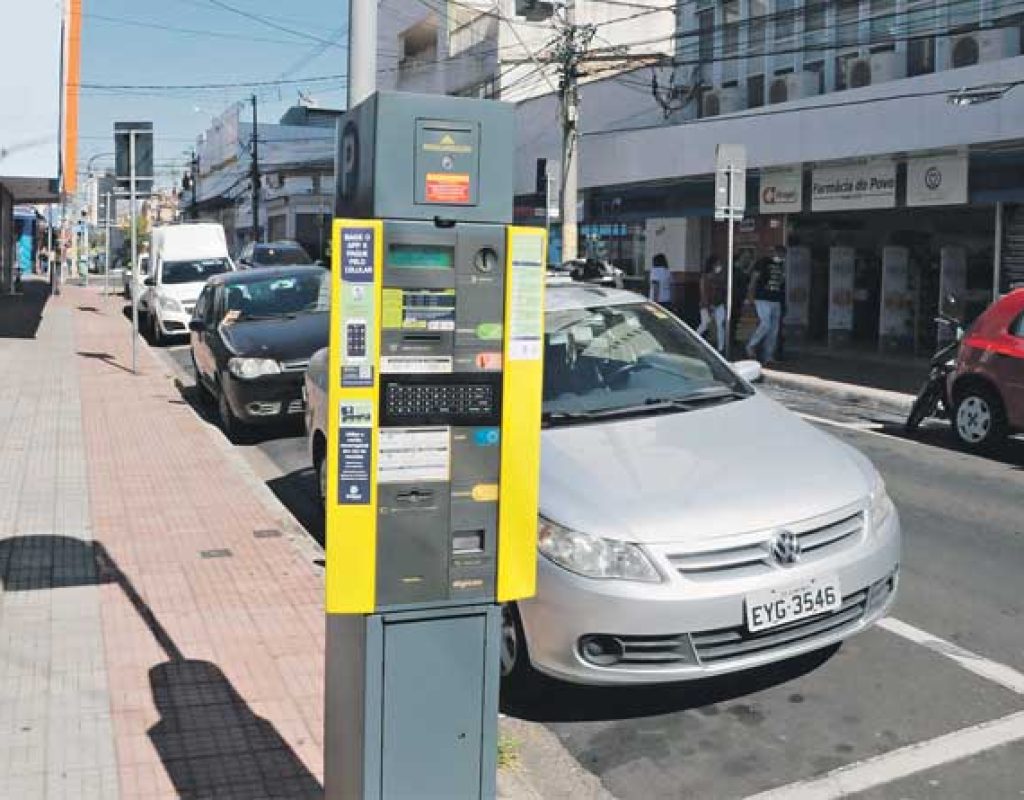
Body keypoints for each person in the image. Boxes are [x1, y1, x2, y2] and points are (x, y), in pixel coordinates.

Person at [745, 246, 787, 363]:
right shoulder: (763, 263)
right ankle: (751, 345)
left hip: (776, 299)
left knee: (774, 330)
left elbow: (781, 282)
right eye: (781, 254)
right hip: (762, 298)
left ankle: (768, 355)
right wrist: (750, 295)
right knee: (766, 324)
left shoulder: (781, 265)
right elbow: (754, 278)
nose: (782, 257)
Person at [696, 255, 728, 353]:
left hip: (719, 304)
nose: (719, 266)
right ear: (712, 265)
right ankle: (694, 338)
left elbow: (723, 291)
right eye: (718, 264)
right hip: (707, 305)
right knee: (705, 324)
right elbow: (704, 293)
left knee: (720, 325)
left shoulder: (720, 277)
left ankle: (721, 348)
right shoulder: (705, 277)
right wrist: (709, 306)